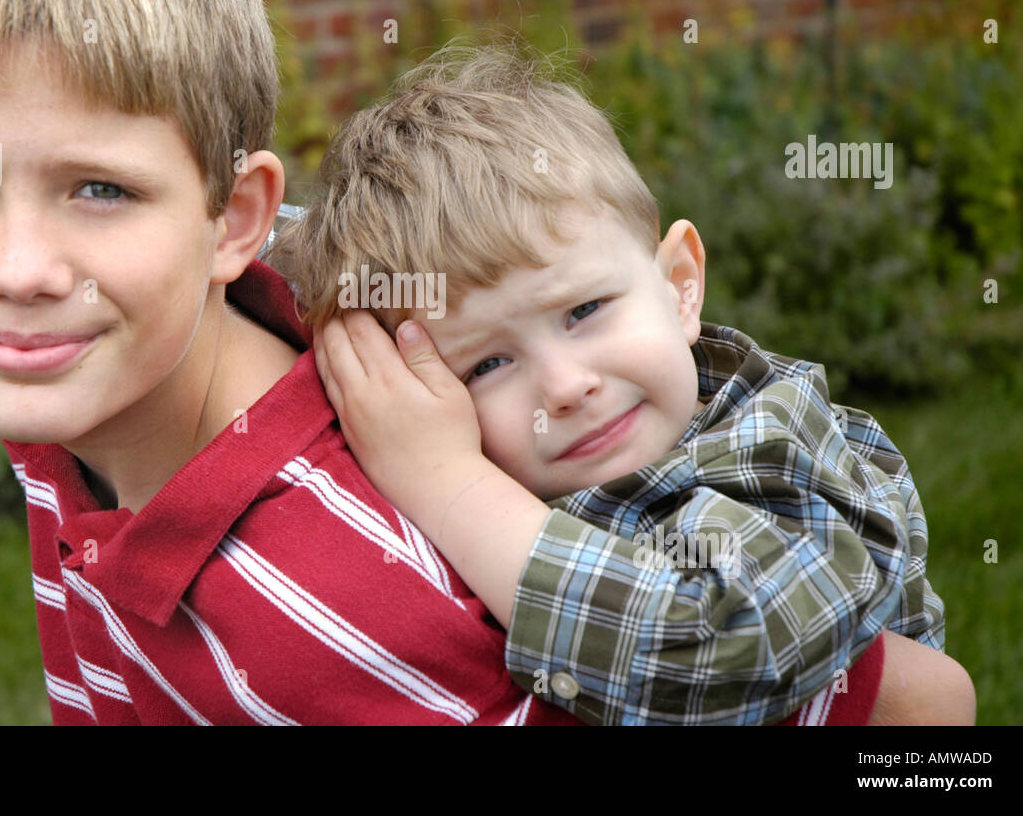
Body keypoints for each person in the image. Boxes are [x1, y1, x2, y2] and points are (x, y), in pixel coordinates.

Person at [0, 0, 951, 725]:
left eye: (100, 188)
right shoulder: (81, 379)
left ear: (227, 221)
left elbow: (914, 703)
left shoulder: (351, 603)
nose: (20, 269)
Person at [275, 43, 976, 725]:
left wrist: (443, 482)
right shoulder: (549, 475)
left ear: (679, 287)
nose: (566, 386)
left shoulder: (771, 449)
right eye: (487, 365)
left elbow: (723, 646)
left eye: (584, 311)